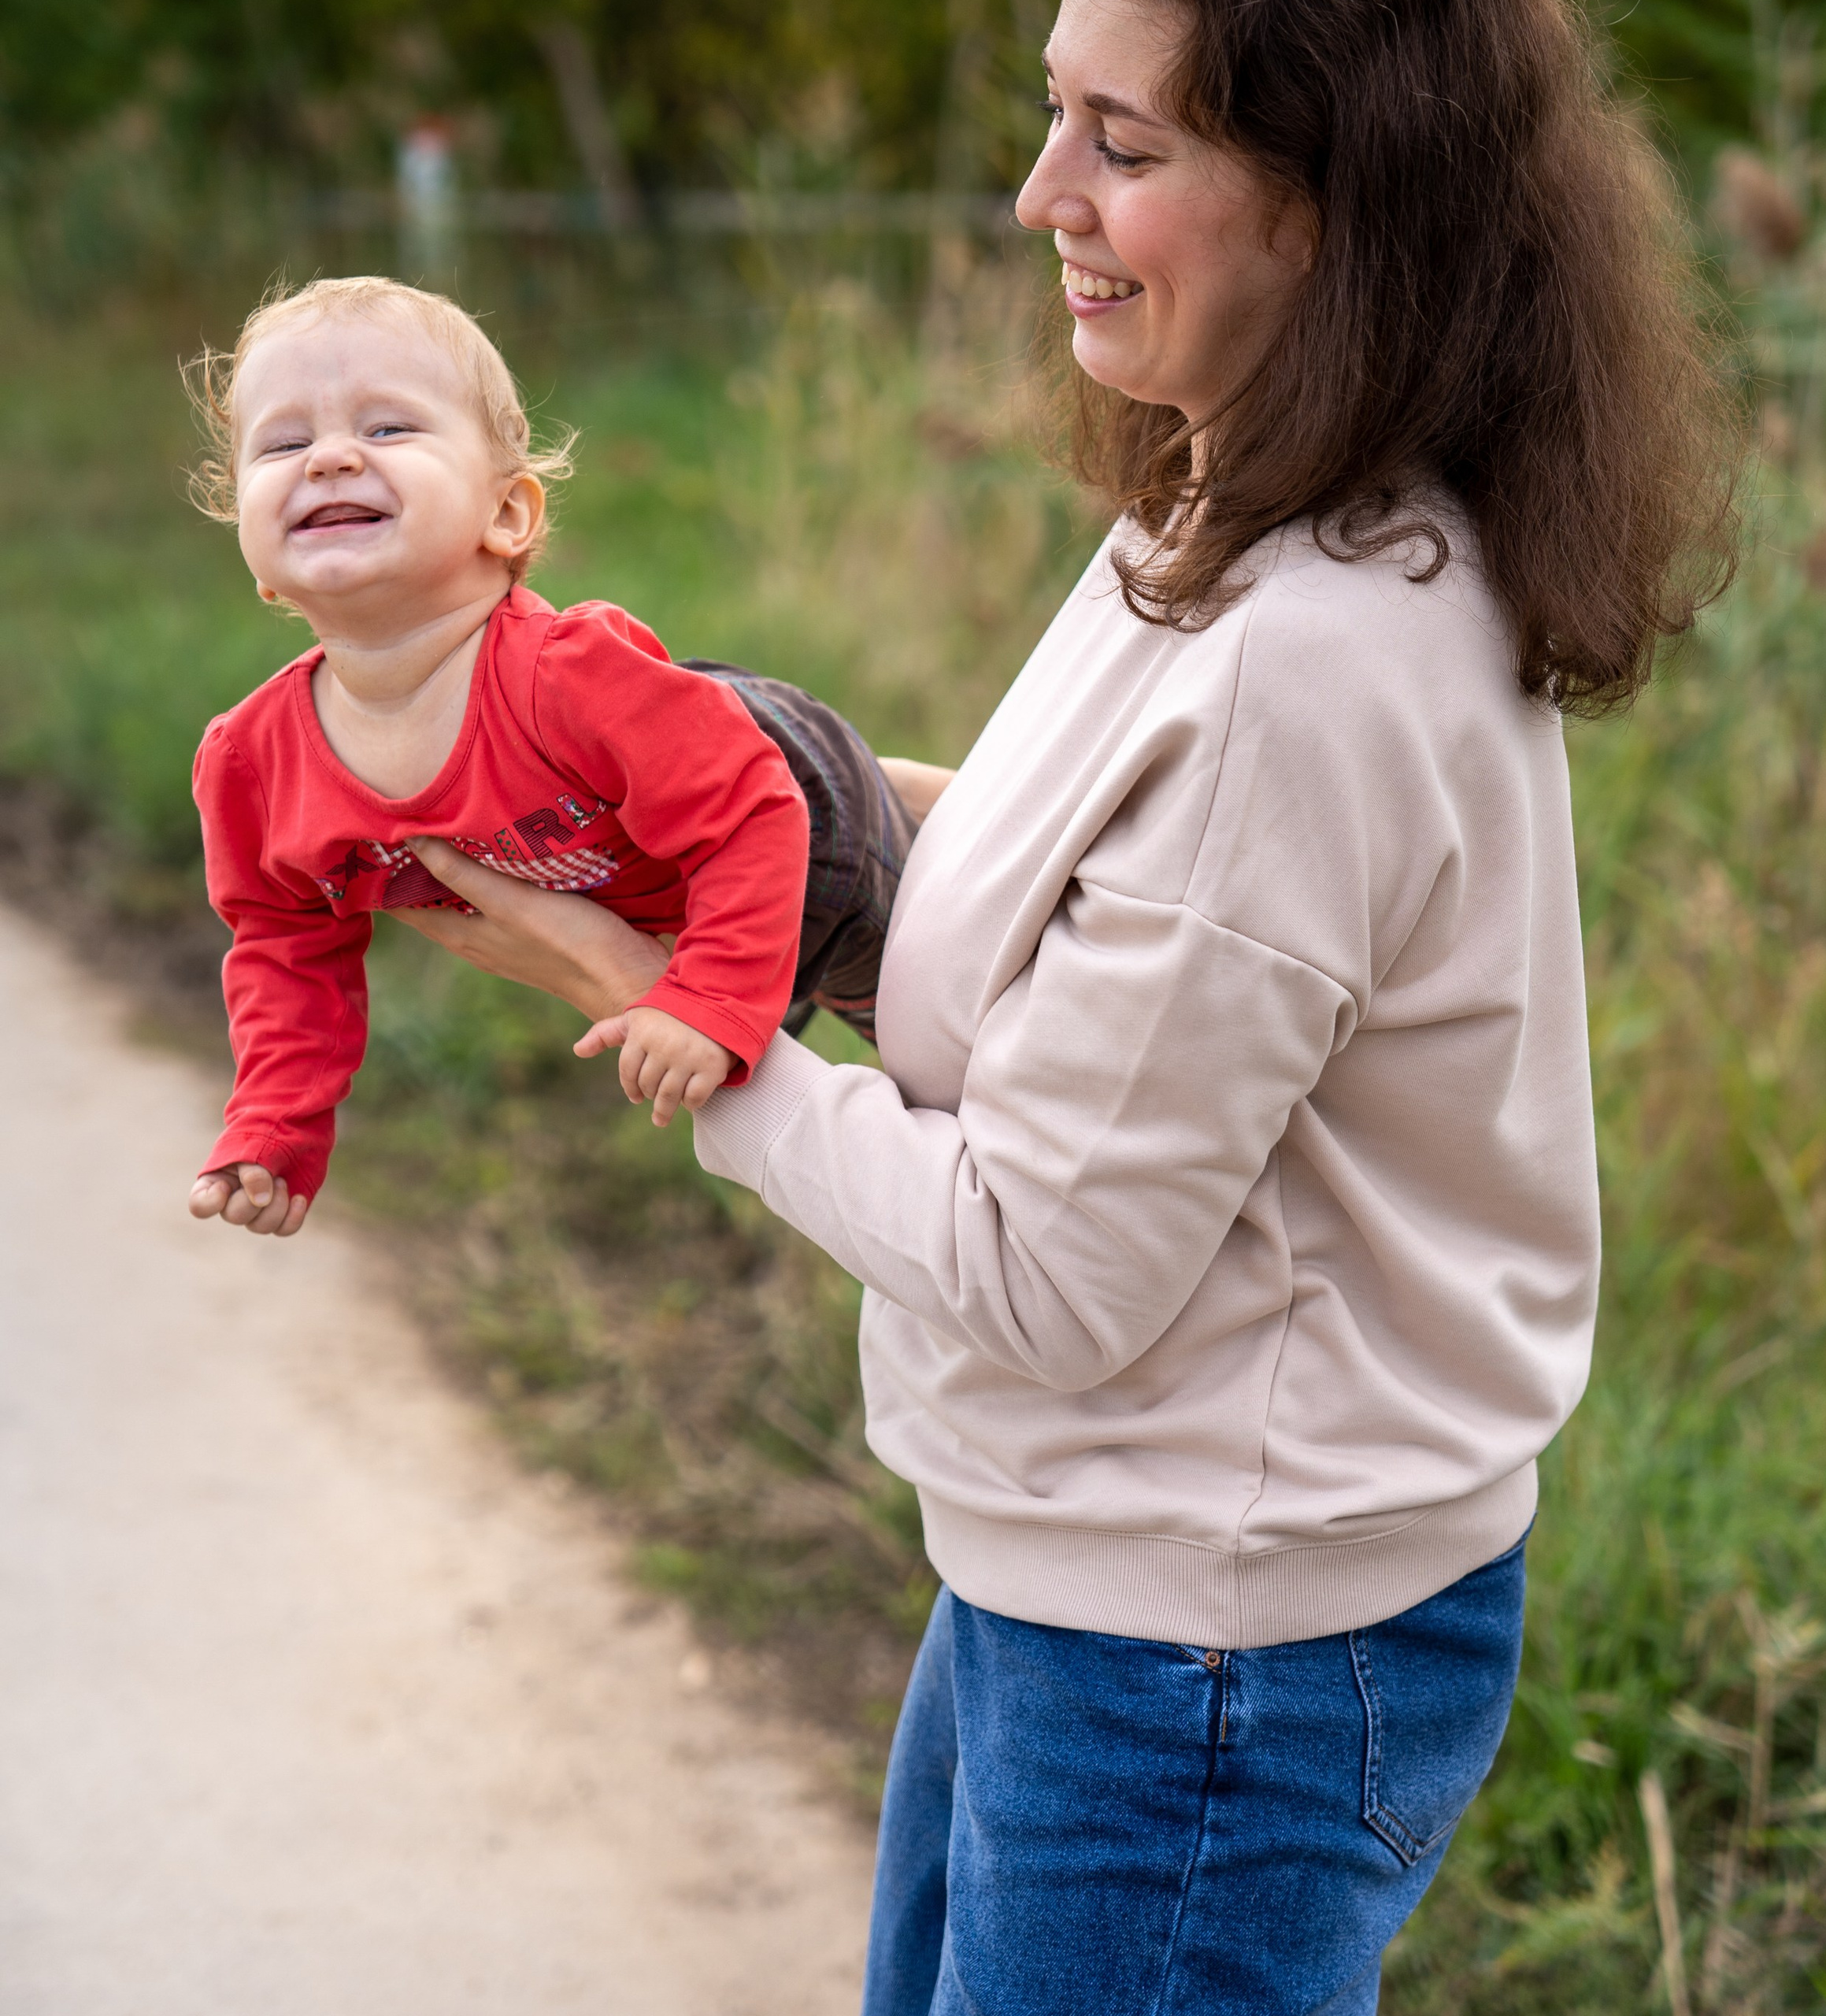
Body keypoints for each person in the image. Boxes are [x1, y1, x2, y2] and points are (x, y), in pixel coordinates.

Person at [390, 0, 1737, 2005]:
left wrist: (665, 999)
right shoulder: (1232, 513)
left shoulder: (1316, 659)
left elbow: (1042, 1265)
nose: (1041, 199)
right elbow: (1116, 895)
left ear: (1329, 206)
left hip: (1209, 1668)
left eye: (1122, 141)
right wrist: (758, 805)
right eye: (1050, 119)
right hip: (1100, 1586)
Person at [181, 276, 913, 1238]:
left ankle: (932, 798)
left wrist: (703, 998)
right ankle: (928, 788)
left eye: (390, 429)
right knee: (695, 742)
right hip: (664, 786)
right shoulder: (250, 763)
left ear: (508, 517)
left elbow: (747, 809)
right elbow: (284, 948)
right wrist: (274, 1122)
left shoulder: (566, 675)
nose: (328, 458)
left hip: (804, 827)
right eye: (281, 444)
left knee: (933, 1034)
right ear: (249, 541)